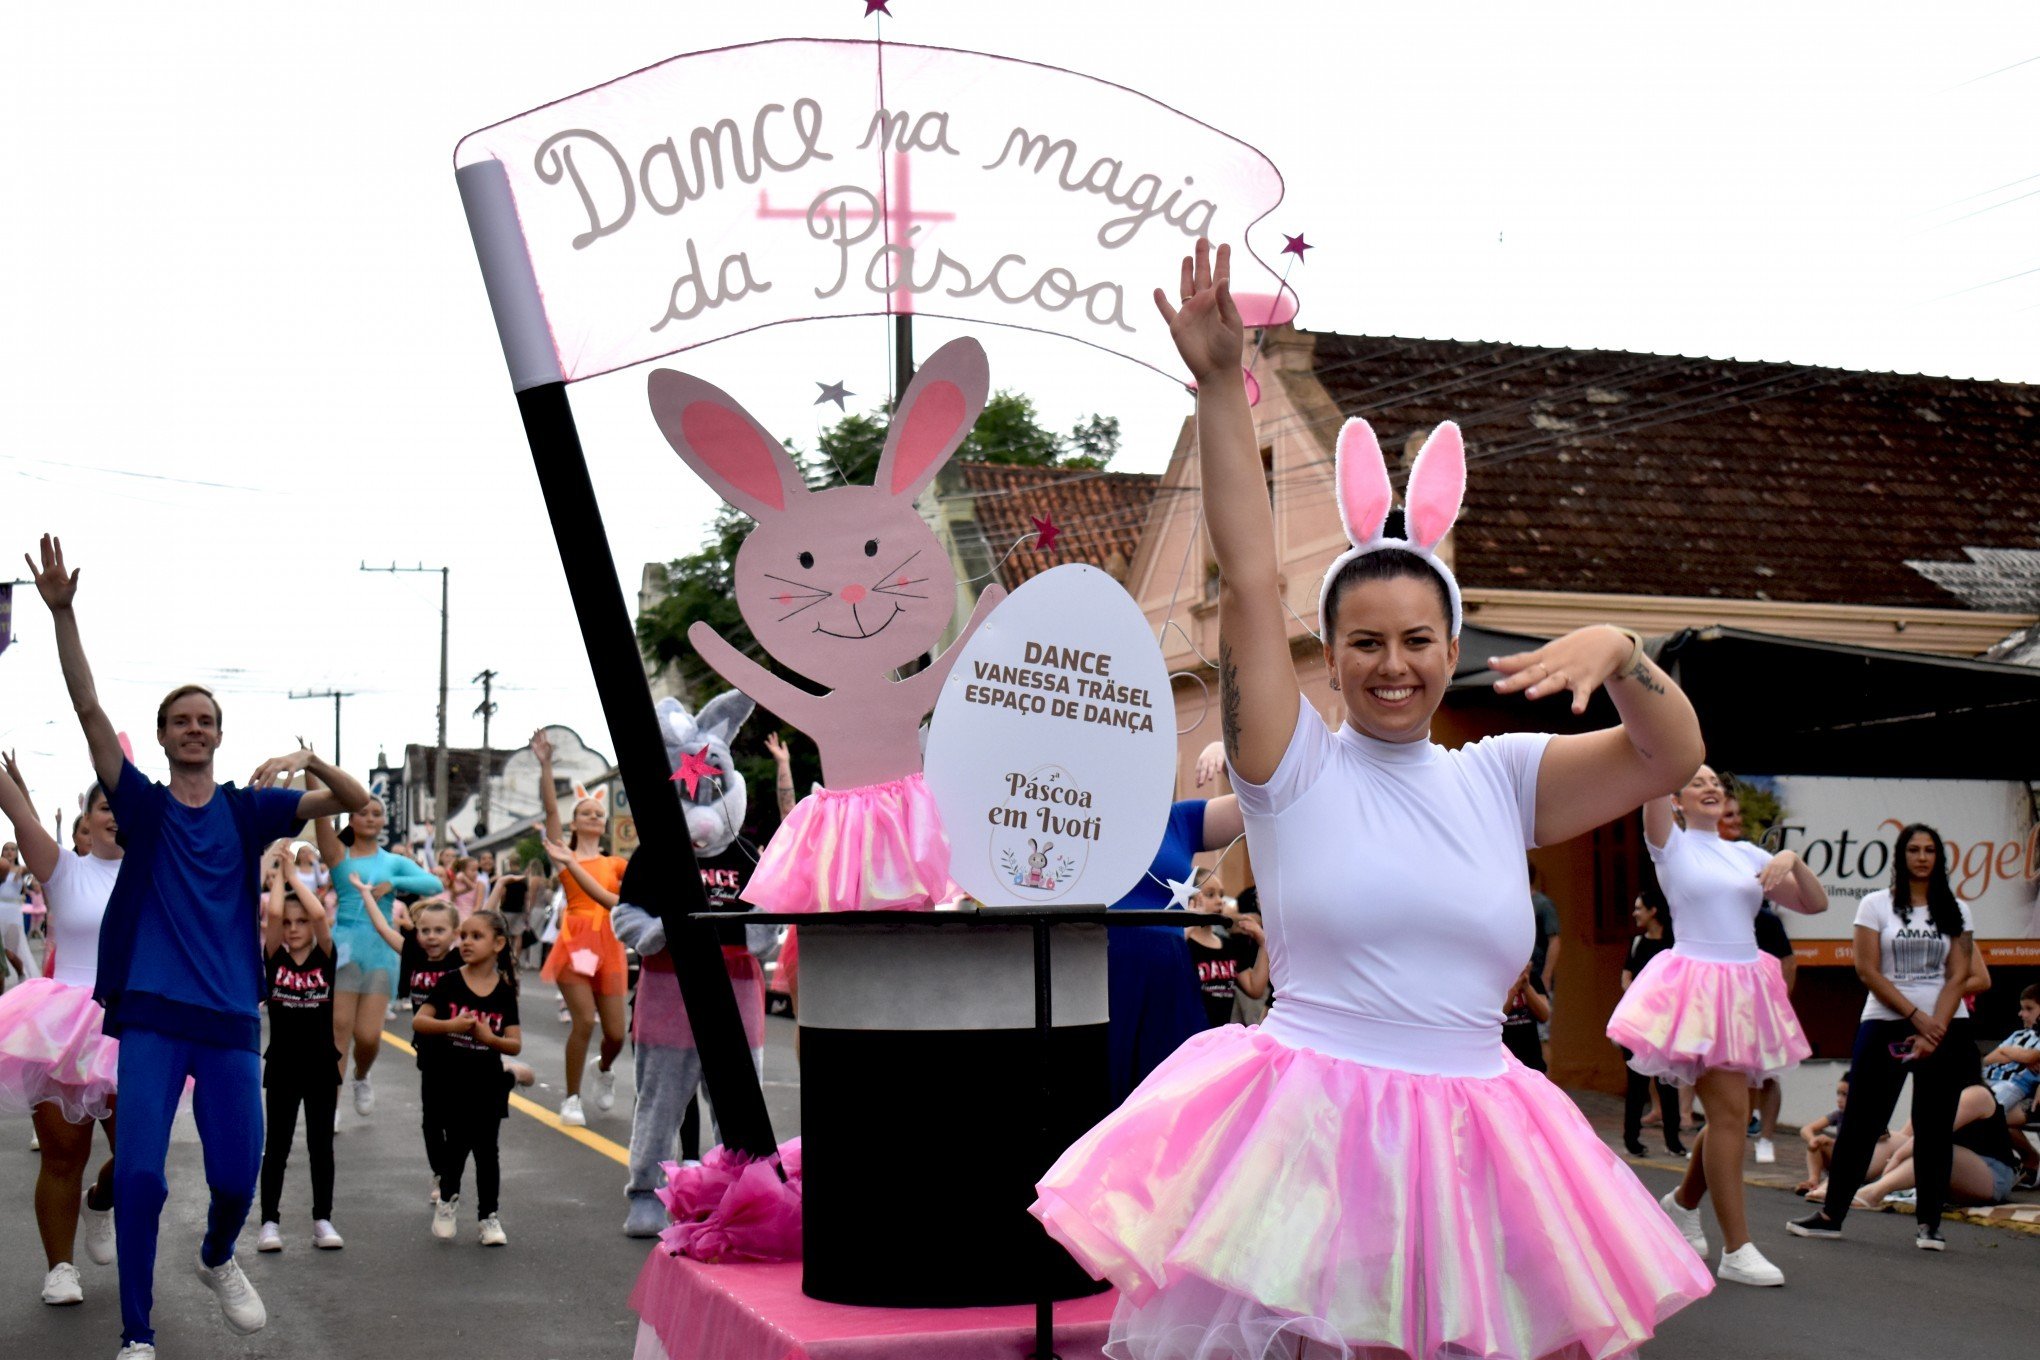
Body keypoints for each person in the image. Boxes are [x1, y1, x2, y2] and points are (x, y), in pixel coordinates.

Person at [1031, 242, 1715, 1359]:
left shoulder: (1500, 778)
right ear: (1332, 651)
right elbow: (1251, 579)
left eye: (1417, 641)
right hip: (1307, 1142)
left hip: (1473, 1148)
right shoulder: (1290, 767)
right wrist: (1216, 388)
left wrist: (1628, 652)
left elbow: (1668, 754)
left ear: (1451, 648)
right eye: (1364, 643)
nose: (1392, 665)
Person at [26, 534, 371, 1360]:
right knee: (140, 1176)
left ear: (219, 734)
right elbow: (88, 713)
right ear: (165, 735)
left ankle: (218, 1256)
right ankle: (137, 1332)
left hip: (223, 1016)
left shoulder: (249, 811)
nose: (193, 729)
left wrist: (309, 758)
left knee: (230, 1182)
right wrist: (65, 615)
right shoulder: (139, 806)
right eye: (179, 721)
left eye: (205, 720)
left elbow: (355, 804)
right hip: (148, 1013)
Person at [1607, 763, 1827, 1286]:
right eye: (1696, 780)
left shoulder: (1749, 854)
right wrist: (1672, 756)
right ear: (1677, 798)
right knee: (1730, 1116)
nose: (1709, 787)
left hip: (1744, 989)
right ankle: (1737, 1248)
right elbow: (1655, 772)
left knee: (1728, 1114)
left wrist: (1790, 859)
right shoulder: (1670, 844)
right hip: (1696, 990)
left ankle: (1683, 1204)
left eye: (1715, 782)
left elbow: (1814, 903)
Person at [1789, 822, 1989, 1249]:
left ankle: (1930, 1225)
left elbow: (1960, 974)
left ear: (1939, 857)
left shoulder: (1957, 909)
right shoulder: (1875, 905)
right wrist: (1916, 1016)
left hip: (1945, 1025)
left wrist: (1935, 1025)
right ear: (1901, 857)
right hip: (1886, 1020)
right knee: (1862, 1121)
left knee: (1935, 1126)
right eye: (1913, 850)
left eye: (1930, 850)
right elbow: (1867, 970)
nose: (1922, 857)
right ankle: (1831, 1214)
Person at [0, 760, 121, 1307]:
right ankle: (60, 1268)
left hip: (133, 1022)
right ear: (87, 820)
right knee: (62, 1154)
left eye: (124, 806)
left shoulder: (159, 870)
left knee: (141, 1155)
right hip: (65, 1022)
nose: (116, 815)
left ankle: (102, 1200)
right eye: (104, 806)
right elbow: (17, 810)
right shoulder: (63, 868)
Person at [308, 784, 445, 1120]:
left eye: (376, 813)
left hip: (381, 949)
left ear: (384, 820)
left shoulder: (393, 862)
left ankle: (361, 1075)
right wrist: (312, 771)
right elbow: (321, 819)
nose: (369, 818)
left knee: (367, 1036)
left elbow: (435, 885)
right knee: (339, 1027)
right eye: (362, 812)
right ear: (351, 818)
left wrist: (395, 885)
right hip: (344, 945)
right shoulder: (340, 856)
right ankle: (332, 1104)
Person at [531, 730, 627, 1128]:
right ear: (574, 822)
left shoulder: (616, 865)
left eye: (598, 814)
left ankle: (603, 1068)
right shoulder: (563, 854)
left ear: (604, 824)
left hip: (611, 943)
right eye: (585, 812)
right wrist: (547, 765)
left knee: (618, 1034)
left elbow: (628, 902)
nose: (593, 816)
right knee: (584, 1021)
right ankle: (571, 1098)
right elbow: (551, 814)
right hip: (576, 943)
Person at [413, 908, 521, 1246]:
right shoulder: (450, 982)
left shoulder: (504, 990)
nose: (467, 943)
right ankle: (447, 1200)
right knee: (457, 1147)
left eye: (477, 937)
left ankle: (488, 1216)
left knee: (488, 1151)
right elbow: (420, 1021)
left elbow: (515, 1043)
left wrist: (490, 1040)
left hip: (487, 1083)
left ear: (498, 943)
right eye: (464, 937)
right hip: (451, 1080)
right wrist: (451, 1026)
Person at [254, 847, 343, 1253]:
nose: (292, 928)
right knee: (278, 1146)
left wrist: (294, 876)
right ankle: (269, 1222)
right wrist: (279, 878)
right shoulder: (274, 960)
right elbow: (272, 916)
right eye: (288, 923)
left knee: (321, 1146)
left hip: (322, 1064)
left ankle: (322, 1219)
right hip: (284, 1064)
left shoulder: (326, 958)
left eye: (300, 922)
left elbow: (322, 915)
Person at [1718, 788, 1792, 1165]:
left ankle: (1765, 1137)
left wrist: (1779, 1003)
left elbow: (1787, 963)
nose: (1734, 820)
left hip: (1762, 1001)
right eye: (1726, 814)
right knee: (1731, 1074)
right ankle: (1733, 1127)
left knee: (1767, 1074)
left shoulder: (1767, 921)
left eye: (1735, 814)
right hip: (1726, 1002)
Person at [1853, 1083, 2023, 1219]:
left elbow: (1933, 1134)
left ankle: (1874, 1192)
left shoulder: (1976, 1093)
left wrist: (1897, 1159)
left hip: (1991, 1173)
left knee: (1935, 1147)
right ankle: (1842, 1184)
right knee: (1892, 1139)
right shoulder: (1933, 1092)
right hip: (1949, 1166)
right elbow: (1906, 1136)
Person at [1617, 885, 1684, 1158]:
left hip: (1667, 1024)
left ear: (1653, 911)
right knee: (1637, 1083)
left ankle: (1673, 1141)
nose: (1635, 913)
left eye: (1639, 908)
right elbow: (1626, 978)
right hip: (1639, 1023)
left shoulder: (1674, 944)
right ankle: (1631, 1138)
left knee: (1668, 1083)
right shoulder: (1637, 943)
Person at [1183, 872, 1267, 1030]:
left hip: (1218, 1038)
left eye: (1221, 895)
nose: (1219, 901)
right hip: (1189, 1039)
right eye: (1210, 895)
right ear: (1190, 901)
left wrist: (1263, 943)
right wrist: (1190, 923)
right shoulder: (1184, 944)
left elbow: (1255, 988)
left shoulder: (1228, 946)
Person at [1978, 982, 2039, 1185]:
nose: (2022, 1014)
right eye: (2023, 1008)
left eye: (2029, 1009)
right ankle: (2028, 1162)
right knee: (1975, 1111)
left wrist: (2009, 1054)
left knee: (1986, 1117)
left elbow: (2033, 1056)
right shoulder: (2018, 1035)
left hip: (2017, 1089)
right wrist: (2017, 1055)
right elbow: (1990, 1058)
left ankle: (1998, 1166)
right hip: (1991, 1081)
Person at [1795, 1077, 1850, 1196]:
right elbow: (1806, 1129)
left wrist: (1831, 1142)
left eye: (1845, 1095)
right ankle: (1813, 1180)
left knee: (1824, 1142)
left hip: (1855, 1163)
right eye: (1838, 1094)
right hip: (1838, 1159)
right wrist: (1813, 1139)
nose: (1839, 1099)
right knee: (1817, 1143)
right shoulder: (1839, 1115)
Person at [1500, 965, 1550, 1072]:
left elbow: (1544, 1016)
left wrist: (1526, 987)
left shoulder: (1533, 978)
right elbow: (1499, 1016)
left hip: (1532, 1062)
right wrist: (1514, 988)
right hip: (1505, 1061)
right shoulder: (1497, 978)